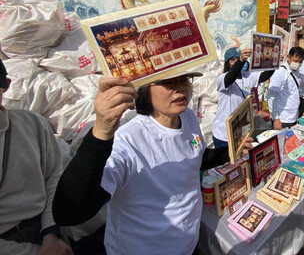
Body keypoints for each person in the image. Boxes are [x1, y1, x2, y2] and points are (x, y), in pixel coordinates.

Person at [53, 72, 252, 255]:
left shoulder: (188, 117)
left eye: (184, 80)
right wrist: (101, 133)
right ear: (145, 91)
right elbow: (69, 212)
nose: (180, 88)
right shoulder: (128, 142)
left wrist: (229, 152)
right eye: (168, 82)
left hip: (188, 244)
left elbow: (194, 158)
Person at [0, 58, 72, 255]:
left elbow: (54, 176)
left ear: (5, 86)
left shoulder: (31, 124)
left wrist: (51, 232)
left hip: (46, 232)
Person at [212, 47, 274, 148]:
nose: (245, 62)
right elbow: (230, 78)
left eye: (245, 59)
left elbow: (264, 76)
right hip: (223, 134)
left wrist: (274, 62)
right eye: (238, 59)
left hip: (240, 132)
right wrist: (241, 60)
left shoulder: (248, 76)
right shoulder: (222, 78)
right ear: (231, 62)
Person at [267, 47, 304, 129]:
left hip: (293, 117)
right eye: (296, 61)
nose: (298, 64)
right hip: (282, 118)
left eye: (300, 62)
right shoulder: (280, 72)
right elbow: (271, 95)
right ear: (288, 57)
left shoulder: (297, 71)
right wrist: (276, 118)